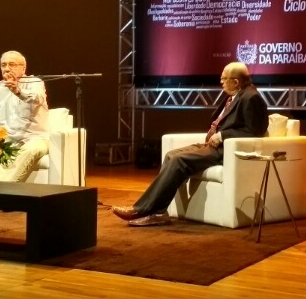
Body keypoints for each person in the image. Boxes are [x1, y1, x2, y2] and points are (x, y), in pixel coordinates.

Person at [112, 61, 268, 226]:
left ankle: (143, 210)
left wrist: (223, 135)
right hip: (212, 146)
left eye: (224, 79)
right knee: (171, 155)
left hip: (225, 150)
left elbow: (255, 131)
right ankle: (158, 212)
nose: (221, 82)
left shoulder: (251, 97)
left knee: (178, 160)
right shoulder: (235, 95)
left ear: (236, 82)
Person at [0, 50, 49, 212]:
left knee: (30, 149)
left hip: (35, 139)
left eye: (12, 64)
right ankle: (3, 197)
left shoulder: (35, 83)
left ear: (23, 68)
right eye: (3, 65)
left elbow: (37, 98)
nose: (7, 68)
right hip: (6, 142)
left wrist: (17, 91)